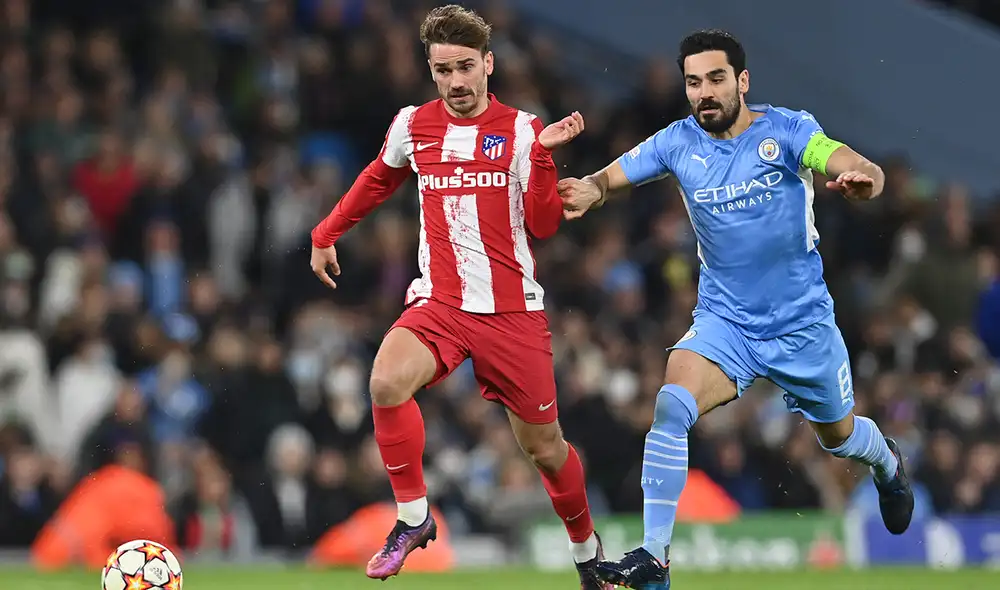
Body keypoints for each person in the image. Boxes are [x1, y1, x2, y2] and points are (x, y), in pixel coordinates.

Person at [558, 29, 914, 589]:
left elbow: (848, 161)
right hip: (728, 325)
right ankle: (655, 559)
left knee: (839, 438)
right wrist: (590, 189)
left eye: (716, 79)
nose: (705, 92)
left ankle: (887, 465)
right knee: (672, 404)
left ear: (742, 82)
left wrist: (862, 178)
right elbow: (611, 177)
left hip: (802, 326)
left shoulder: (789, 131)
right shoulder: (678, 142)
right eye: (694, 82)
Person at [309, 5, 611, 589]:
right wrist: (326, 233)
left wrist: (545, 157)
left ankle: (586, 551)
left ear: (489, 65)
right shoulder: (413, 125)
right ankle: (414, 517)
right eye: (443, 70)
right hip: (441, 305)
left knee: (546, 450)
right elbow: (378, 177)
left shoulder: (523, 131)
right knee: (384, 381)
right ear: (431, 69)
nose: (455, 82)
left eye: (465, 67)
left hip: (511, 314)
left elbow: (545, 224)